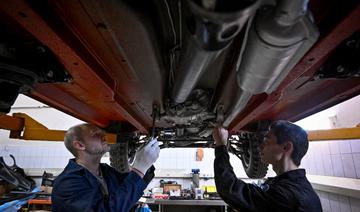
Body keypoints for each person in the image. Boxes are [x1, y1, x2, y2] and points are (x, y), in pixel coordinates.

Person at [213, 120, 322, 211]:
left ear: (285, 147)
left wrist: (221, 145)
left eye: (266, 141)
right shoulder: (290, 185)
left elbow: (229, 189)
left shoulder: (288, 195)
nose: (260, 147)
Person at [52, 123, 160, 212]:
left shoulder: (105, 171)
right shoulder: (68, 183)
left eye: (102, 133)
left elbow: (129, 187)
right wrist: (139, 168)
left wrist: (146, 160)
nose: (104, 136)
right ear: (80, 145)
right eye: (95, 134)